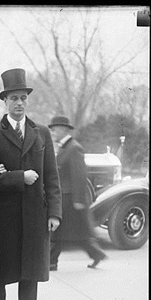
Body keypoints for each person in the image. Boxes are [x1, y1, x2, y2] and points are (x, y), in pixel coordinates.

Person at [0, 68, 62, 300]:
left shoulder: (42, 133)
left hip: (35, 215)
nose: (19, 103)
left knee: (30, 273)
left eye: (23, 98)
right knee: (0, 274)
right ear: (5, 101)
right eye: (13, 98)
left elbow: (51, 175)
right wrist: (19, 177)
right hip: (3, 216)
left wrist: (54, 213)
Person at [48, 115, 107, 270]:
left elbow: (79, 175)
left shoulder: (74, 148)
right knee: (74, 233)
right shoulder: (66, 147)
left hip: (70, 199)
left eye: (54, 130)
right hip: (65, 197)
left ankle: (51, 262)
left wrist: (79, 200)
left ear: (63, 130)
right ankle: (95, 254)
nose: (52, 133)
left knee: (64, 231)